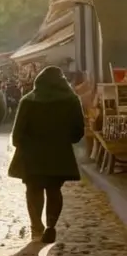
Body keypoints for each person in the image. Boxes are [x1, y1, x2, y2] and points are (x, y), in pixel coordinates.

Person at [8, 66, 85, 243]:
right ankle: (51, 226)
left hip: (32, 155)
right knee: (54, 190)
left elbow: (17, 133)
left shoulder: (28, 100)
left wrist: (20, 145)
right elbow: (78, 132)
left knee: (33, 190)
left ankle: (36, 227)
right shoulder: (72, 100)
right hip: (59, 155)